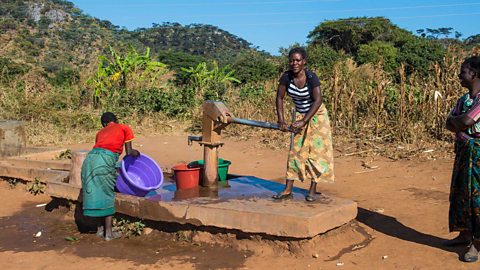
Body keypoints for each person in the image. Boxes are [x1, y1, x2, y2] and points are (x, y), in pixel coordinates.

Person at [272, 47, 334, 202]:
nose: (294, 63)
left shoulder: (311, 77)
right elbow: (279, 97)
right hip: (300, 115)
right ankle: (288, 189)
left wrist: (304, 121)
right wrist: (281, 120)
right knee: (296, 151)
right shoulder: (286, 77)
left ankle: (312, 190)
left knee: (317, 152)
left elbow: (318, 100)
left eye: (298, 60)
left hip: (317, 116)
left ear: (304, 61)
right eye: (292, 60)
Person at [81, 112, 140, 241]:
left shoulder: (100, 133)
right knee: (107, 193)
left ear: (103, 124)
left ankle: (100, 229)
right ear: (116, 120)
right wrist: (137, 153)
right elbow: (129, 152)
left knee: (96, 192)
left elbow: (100, 148)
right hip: (104, 160)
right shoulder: (124, 127)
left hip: (89, 160)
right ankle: (109, 234)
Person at [445, 56, 480, 262]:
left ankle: (476, 244)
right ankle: (464, 234)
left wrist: (459, 123)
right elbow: (449, 123)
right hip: (464, 152)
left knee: (477, 199)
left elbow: (465, 120)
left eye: (463, 71)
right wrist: (459, 123)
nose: (460, 75)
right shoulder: (464, 100)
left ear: (474, 75)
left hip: (477, 154)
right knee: (460, 194)